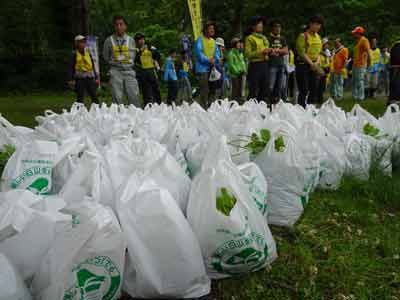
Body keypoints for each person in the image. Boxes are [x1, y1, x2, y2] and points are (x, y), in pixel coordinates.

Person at [103, 15, 140, 106]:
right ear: (114, 26)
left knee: (134, 96)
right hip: (115, 71)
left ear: (125, 26)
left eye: (121, 24)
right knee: (117, 98)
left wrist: (122, 59)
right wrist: (114, 63)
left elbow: (133, 56)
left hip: (129, 71)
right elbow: (105, 56)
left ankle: (136, 116)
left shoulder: (131, 40)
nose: (119, 27)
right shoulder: (109, 40)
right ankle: (118, 117)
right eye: (116, 25)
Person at [295, 15, 324, 108]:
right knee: (304, 89)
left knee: (314, 88)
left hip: (315, 65)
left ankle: (311, 109)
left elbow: (319, 52)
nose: (317, 26)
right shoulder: (303, 36)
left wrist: (316, 63)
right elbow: (301, 52)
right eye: (315, 24)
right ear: (310, 24)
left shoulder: (318, 37)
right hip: (303, 65)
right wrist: (311, 64)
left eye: (319, 25)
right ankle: (301, 109)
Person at [244, 16, 271, 103]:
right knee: (254, 90)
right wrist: (261, 52)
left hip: (265, 65)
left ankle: (262, 108)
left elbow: (266, 50)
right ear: (253, 26)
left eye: (262, 24)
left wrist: (271, 51)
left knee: (265, 88)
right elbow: (248, 54)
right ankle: (251, 108)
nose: (261, 25)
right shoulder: (249, 38)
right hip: (255, 66)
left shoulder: (264, 38)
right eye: (259, 24)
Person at [194, 21, 220, 108]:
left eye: (213, 29)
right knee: (204, 89)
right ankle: (203, 108)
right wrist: (208, 60)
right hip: (202, 69)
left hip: (212, 69)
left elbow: (217, 53)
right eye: (210, 29)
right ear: (205, 30)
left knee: (213, 89)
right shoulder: (199, 40)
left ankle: (210, 107)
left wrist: (215, 60)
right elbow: (199, 53)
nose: (212, 30)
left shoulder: (213, 41)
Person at [68, 35, 99, 104]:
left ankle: (97, 110)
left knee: (94, 95)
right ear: (76, 43)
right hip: (80, 78)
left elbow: (92, 65)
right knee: (80, 97)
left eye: (84, 42)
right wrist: (71, 79)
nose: (82, 44)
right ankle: (79, 111)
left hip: (90, 77)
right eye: (80, 42)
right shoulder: (74, 54)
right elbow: (71, 67)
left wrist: (96, 77)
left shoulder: (88, 53)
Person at [134, 33, 162, 105]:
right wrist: (140, 51)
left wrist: (157, 64)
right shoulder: (135, 50)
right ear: (136, 41)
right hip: (142, 72)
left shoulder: (150, 47)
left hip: (152, 70)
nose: (141, 41)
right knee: (146, 90)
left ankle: (159, 104)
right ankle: (147, 106)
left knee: (156, 88)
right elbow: (135, 60)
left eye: (142, 39)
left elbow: (158, 56)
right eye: (139, 40)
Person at [267, 19, 289, 105]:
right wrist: (279, 51)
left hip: (281, 64)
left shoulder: (282, 39)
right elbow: (269, 51)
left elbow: (286, 50)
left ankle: (277, 103)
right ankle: (268, 102)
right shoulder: (268, 38)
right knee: (270, 85)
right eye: (276, 26)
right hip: (271, 65)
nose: (278, 28)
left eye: (279, 26)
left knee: (280, 86)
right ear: (272, 28)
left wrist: (276, 51)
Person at [351, 26, 371, 101]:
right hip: (355, 65)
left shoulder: (364, 40)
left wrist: (369, 63)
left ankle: (360, 97)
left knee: (360, 81)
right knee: (355, 81)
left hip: (361, 65)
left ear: (359, 33)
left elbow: (368, 52)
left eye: (355, 33)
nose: (354, 35)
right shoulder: (359, 41)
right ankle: (355, 96)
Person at [227, 38, 247, 102]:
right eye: (238, 43)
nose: (239, 44)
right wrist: (238, 71)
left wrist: (244, 70)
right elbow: (231, 65)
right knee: (234, 90)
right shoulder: (231, 53)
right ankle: (233, 102)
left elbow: (242, 63)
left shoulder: (240, 53)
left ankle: (239, 102)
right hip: (234, 75)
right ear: (234, 44)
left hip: (241, 74)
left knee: (240, 90)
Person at [317, 38, 332, 103]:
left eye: (328, 44)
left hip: (326, 69)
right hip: (320, 69)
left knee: (323, 85)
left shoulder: (327, 51)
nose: (327, 45)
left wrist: (329, 67)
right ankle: (319, 98)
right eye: (326, 44)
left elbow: (328, 60)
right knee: (319, 84)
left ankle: (320, 97)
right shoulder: (318, 51)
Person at [389, 38, 400, 104]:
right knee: (396, 84)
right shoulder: (397, 46)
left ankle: (393, 99)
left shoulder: (395, 46)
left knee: (394, 84)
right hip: (396, 69)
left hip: (394, 69)